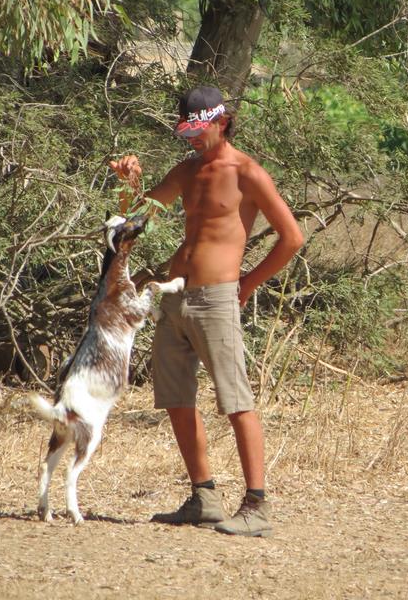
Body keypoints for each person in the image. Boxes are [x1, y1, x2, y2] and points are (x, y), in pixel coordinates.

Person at [109, 85, 304, 537]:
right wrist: (128, 184)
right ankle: (204, 498)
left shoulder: (247, 172)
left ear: (223, 122)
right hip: (174, 295)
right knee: (176, 398)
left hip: (217, 298)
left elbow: (291, 238)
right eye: (188, 132)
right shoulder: (187, 170)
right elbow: (135, 223)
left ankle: (256, 506)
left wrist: (247, 284)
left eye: (200, 130)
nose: (194, 139)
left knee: (235, 401)